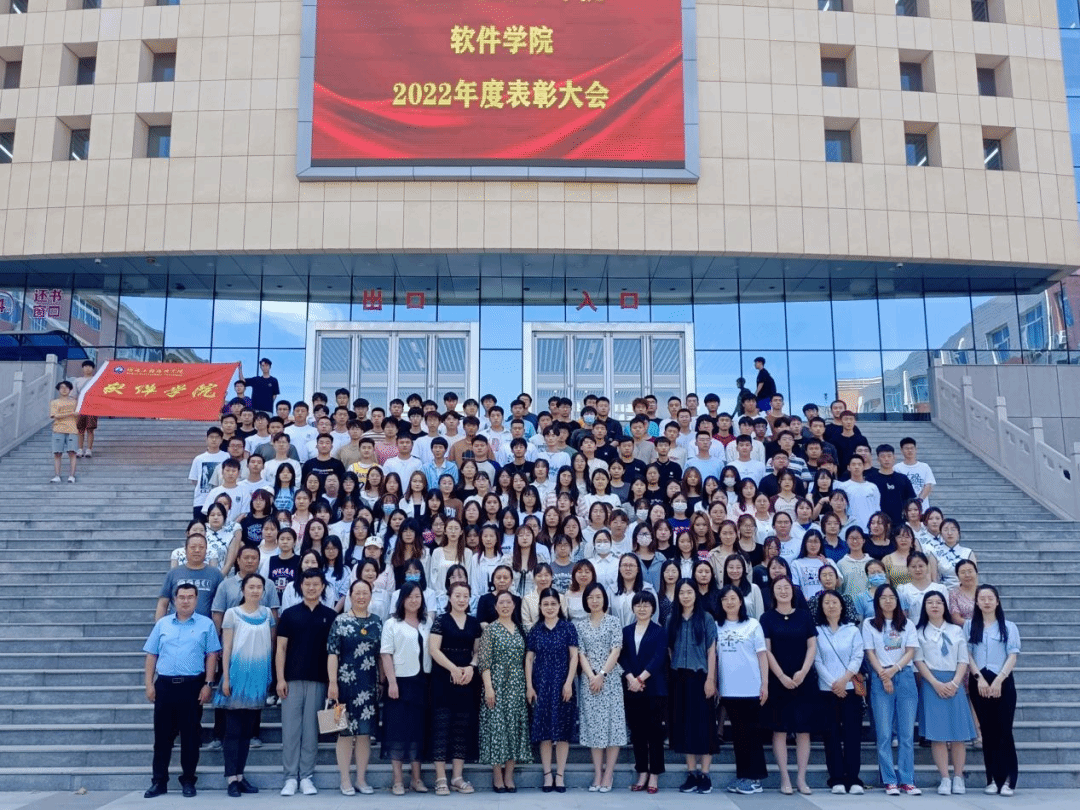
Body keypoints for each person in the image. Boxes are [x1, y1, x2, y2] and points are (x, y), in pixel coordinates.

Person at [142, 583, 222, 798]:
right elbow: (151, 654)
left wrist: (208, 684)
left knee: (190, 737)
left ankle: (188, 780)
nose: (185, 601)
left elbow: (212, 655)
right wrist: (149, 684)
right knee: (162, 737)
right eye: (181, 597)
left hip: (192, 686)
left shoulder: (206, 624)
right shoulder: (163, 624)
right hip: (165, 686)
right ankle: (159, 781)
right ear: (174, 600)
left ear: (196, 600)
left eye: (190, 597)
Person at [276, 569, 336, 796]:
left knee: (311, 731)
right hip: (291, 679)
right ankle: (290, 777)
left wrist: (332, 682)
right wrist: (280, 678)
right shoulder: (289, 614)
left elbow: (334, 652)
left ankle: (307, 777)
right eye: (307, 584)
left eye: (316, 584)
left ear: (323, 587)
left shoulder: (330, 616)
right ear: (300, 586)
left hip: (319, 680)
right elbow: (280, 648)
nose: (311, 588)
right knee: (291, 730)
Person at [214, 573, 274, 797]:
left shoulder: (267, 614)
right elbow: (227, 648)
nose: (255, 591)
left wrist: (268, 677)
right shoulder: (232, 613)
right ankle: (231, 778)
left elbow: (270, 645)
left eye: (259, 587)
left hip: (257, 679)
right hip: (237, 677)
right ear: (243, 590)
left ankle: (240, 776)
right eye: (251, 587)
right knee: (233, 731)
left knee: (247, 731)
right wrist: (226, 678)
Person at [915, 592, 977, 796]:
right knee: (938, 735)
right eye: (930, 602)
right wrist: (935, 684)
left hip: (954, 682)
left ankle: (958, 777)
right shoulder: (920, 632)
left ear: (945, 606)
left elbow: (963, 659)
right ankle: (944, 778)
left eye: (939, 602)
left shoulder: (956, 630)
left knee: (958, 734)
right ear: (924, 607)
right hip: (932, 684)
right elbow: (919, 661)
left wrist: (955, 682)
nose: (935, 606)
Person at [863, 583, 921, 796]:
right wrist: (883, 675)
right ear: (877, 601)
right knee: (884, 733)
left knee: (906, 734)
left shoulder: (907, 624)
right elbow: (870, 652)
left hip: (904, 676)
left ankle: (907, 780)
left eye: (892, 597)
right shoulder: (869, 624)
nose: (888, 601)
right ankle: (889, 780)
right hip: (880, 676)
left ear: (897, 600)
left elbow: (910, 651)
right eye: (883, 597)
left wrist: (894, 670)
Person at [761, 576, 818, 795]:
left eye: (787, 587)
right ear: (773, 592)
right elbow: (766, 650)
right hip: (778, 680)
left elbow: (812, 645)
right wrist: (781, 675)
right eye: (779, 588)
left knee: (803, 731)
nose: (783, 591)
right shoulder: (766, 618)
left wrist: (803, 671)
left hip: (803, 679)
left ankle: (801, 779)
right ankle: (785, 778)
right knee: (780, 730)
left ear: (793, 592)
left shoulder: (804, 616)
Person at [327, 579, 383, 796]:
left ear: (370, 596)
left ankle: (360, 779)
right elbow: (333, 653)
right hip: (342, 686)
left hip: (368, 685)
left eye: (365, 593)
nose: (361, 597)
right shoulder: (340, 621)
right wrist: (332, 682)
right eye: (357, 593)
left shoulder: (377, 622)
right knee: (343, 733)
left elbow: (381, 655)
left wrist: (381, 681)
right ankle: (345, 780)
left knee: (364, 734)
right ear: (350, 596)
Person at [966, 585, 1021, 796]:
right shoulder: (970, 626)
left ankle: (1009, 780)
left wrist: (998, 681)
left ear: (997, 601)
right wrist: (978, 679)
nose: (987, 602)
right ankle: (992, 779)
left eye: (991, 598)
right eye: (982, 598)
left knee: (1004, 731)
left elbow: (1012, 655)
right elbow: (967, 654)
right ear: (977, 602)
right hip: (979, 681)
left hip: (1003, 681)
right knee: (987, 732)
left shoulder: (1009, 627)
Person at [427, 581, 482, 795]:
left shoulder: (474, 623)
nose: (461, 599)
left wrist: (470, 668)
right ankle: (440, 777)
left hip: (467, 680)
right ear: (449, 597)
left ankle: (457, 778)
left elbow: (477, 651)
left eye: (465, 596)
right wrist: (453, 669)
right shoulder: (441, 620)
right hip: (443, 679)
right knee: (441, 726)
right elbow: (434, 649)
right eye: (457, 595)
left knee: (462, 726)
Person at [380, 581, 433, 795]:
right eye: (410, 596)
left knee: (418, 731)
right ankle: (398, 780)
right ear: (402, 599)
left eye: (417, 596)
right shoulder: (392, 623)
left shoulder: (427, 622)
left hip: (423, 682)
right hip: (400, 682)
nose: (414, 600)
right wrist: (391, 682)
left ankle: (416, 779)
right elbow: (386, 653)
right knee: (398, 731)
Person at [716, 585, 769, 795]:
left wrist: (765, 684)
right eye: (725, 599)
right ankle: (743, 776)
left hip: (751, 689)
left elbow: (762, 655)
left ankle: (755, 779)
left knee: (752, 735)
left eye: (733, 598)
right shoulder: (717, 626)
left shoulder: (753, 624)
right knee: (739, 736)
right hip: (729, 690)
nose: (729, 602)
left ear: (741, 601)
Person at [526, 587, 579, 793]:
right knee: (544, 732)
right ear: (540, 606)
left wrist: (568, 682)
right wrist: (529, 686)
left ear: (559, 605)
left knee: (563, 732)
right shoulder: (536, 630)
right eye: (545, 604)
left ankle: (560, 775)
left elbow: (574, 656)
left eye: (553, 604)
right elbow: (529, 659)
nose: (549, 607)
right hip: (541, 686)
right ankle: (547, 775)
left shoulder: (568, 628)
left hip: (563, 685)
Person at [667, 577, 718, 794]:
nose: (685, 596)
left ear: (696, 594)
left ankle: (705, 774)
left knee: (704, 726)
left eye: (689, 592)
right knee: (685, 726)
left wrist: (711, 679)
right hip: (679, 678)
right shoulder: (672, 619)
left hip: (701, 677)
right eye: (681, 593)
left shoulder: (706, 618)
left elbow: (711, 651)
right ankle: (691, 773)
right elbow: (670, 648)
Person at [575, 582, 626, 791]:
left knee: (613, 727)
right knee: (594, 728)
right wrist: (592, 676)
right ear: (585, 601)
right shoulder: (580, 625)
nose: (594, 601)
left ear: (604, 599)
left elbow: (616, 649)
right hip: (590, 682)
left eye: (598, 597)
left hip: (610, 679)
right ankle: (597, 773)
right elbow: (581, 653)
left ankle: (608, 774)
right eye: (590, 597)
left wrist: (602, 674)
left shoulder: (613, 622)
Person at [479, 590, 532, 792]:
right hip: (497, 684)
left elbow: (527, 660)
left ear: (514, 605)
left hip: (517, 685)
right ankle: (497, 776)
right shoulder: (490, 630)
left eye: (508, 602)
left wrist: (528, 686)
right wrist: (489, 688)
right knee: (497, 729)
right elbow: (484, 661)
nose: (505, 605)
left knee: (514, 729)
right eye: (501, 602)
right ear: (495, 606)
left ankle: (509, 775)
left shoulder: (521, 629)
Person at [813, 589, 865, 795]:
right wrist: (833, 683)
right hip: (827, 691)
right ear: (821, 607)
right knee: (831, 735)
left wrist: (844, 680)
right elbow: (817, 660)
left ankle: (853, 779)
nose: (831, 606)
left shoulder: (852, 630)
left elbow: (857, 656)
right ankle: (836, 779)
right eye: (826, 602)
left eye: (834, 602)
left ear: (842, 606)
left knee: (852, 736)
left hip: (850, 689)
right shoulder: (817, 631)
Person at [618, 591, 668, 794]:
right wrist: (631, 678)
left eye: (646, 605)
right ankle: (642, 772)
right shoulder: (626, 631)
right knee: (637, 733)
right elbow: (622, 657)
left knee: (654, 734)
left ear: (653, 608)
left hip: (654, 688)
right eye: (638, 605)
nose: (642, 608)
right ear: (633, 608)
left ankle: (654, 774)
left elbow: (659, 657)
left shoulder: (660, 631)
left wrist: (640, 679)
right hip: (631, 688)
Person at [50, 380, 79, 483]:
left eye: (66, 387)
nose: (64, 389)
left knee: (72, 453)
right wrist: (70, 413)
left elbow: (78, 415)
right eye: (62, 387)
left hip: (72, 429)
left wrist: (75, 415)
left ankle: (72, 476)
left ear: (70, 389)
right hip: (58, 429)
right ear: (58, 389)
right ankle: (57, 476)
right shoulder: (54, 402)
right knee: (57, 453)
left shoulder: (75, 402)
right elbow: (55, 416)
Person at [896, 437, 936, 507]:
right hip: (905, 506)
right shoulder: (897, 468)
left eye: (912, 448)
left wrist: (919, 500)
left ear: (916, 449)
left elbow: (928, 485)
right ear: (901, 450)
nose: (910, 450)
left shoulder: (924, 466)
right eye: (907, 448)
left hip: (923, 507)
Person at [72, 359, 97, 457]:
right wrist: (74, 409)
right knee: (80, 429)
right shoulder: (77, 381)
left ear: (93, 369)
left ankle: (89, 449)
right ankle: (80, 449)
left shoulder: (96, 380)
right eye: (85, 366)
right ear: (82, 368)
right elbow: (74, 396)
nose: (87, 368)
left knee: (90, 429)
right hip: (80, 407)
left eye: (90, 366)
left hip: (92, 407)